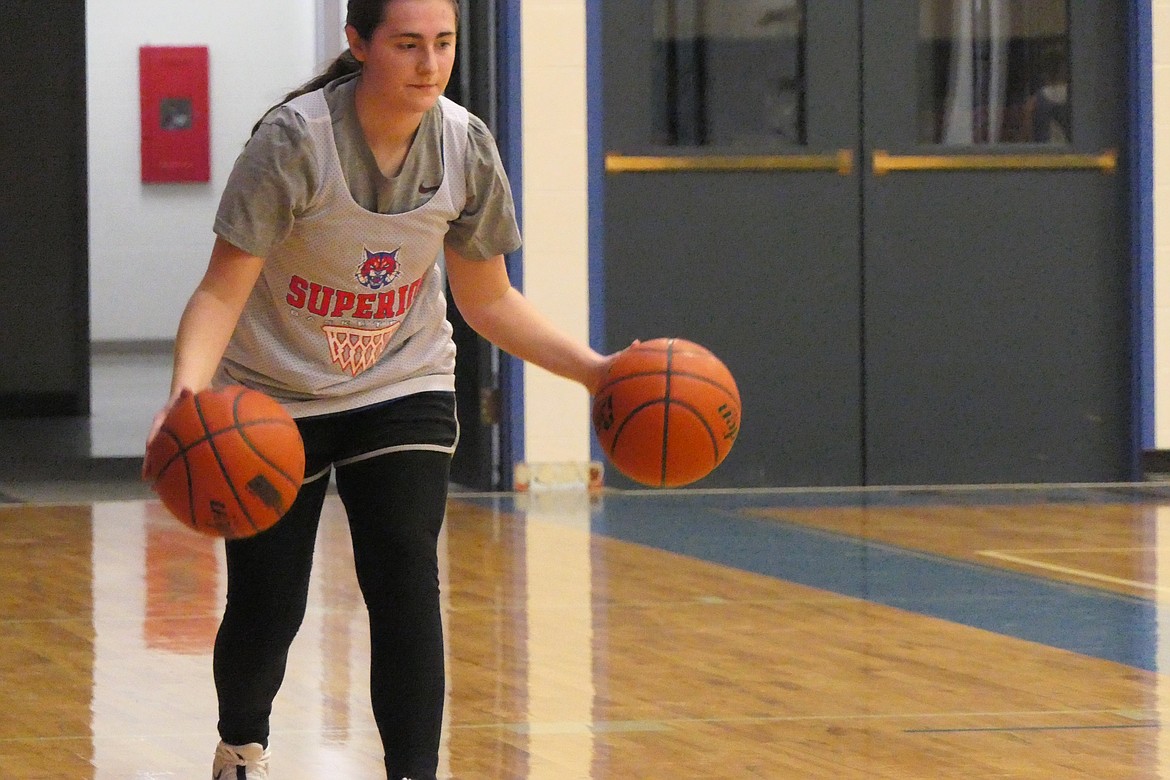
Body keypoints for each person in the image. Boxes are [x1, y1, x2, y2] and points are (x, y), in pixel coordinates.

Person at [142, 1, 615, 778]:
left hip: (401, 382)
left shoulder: (465, 146)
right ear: (358, 43)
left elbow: (489, 300)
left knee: (403, 573)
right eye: (407, 45)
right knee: (270, 606)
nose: (429, 64)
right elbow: (221, 292)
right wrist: (186, 395)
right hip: (272, 396)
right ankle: (241, 746)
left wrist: (592, 370)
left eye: (443, 44)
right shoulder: (295, 141)